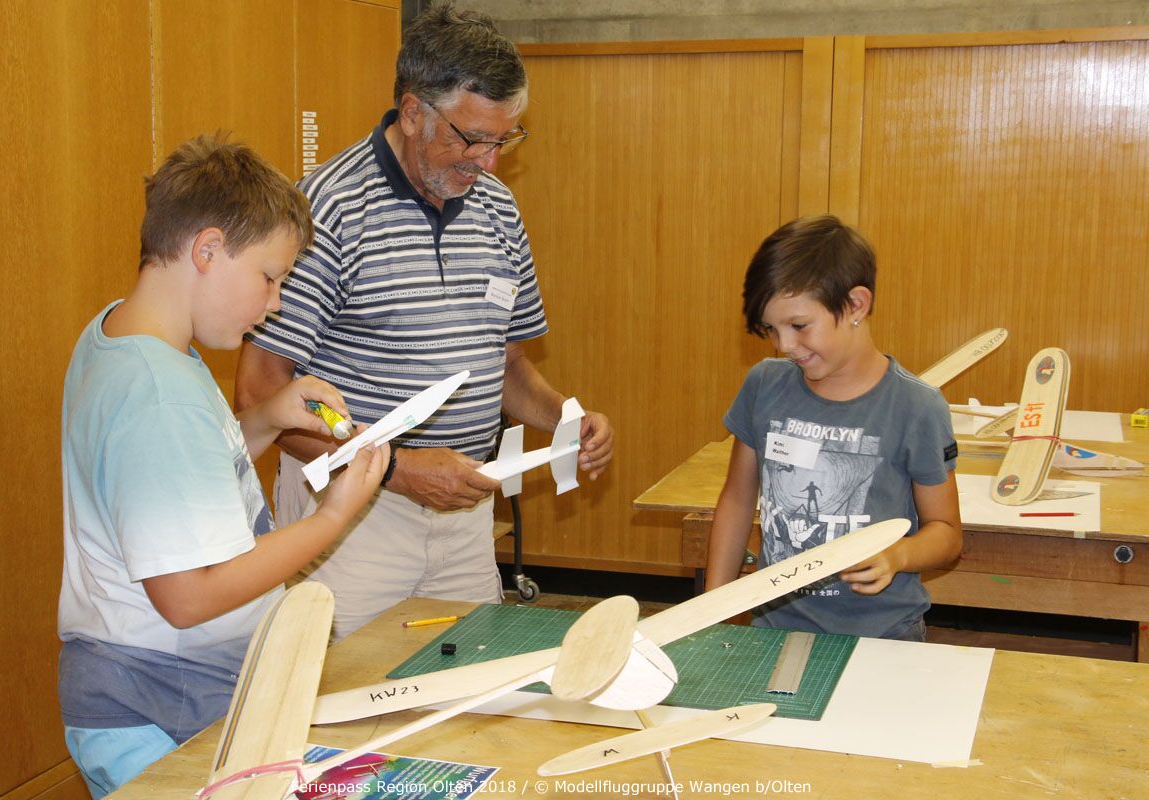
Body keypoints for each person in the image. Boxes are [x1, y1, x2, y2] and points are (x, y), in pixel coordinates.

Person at [235, 3, 613, 640]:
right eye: (472, 139)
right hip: (352, 513)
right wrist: (399, 469)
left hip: (464, 514)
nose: (488, 162)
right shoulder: (327, 208)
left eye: (504, 140)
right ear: (413, 113)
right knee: (347, 688)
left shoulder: (498, 209)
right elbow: (258, 392)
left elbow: (506, 365)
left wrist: (566, 420)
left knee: (470, 678)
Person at [57, 134, 389, 798]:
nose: (276, 303)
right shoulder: (159, 393)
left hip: (147, 689)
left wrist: (265, 420)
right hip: (155, 702)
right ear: (207, 250)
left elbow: (176, 473)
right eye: (270, 278)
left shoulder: (127, 338)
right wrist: (331, 518)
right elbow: (188, 596)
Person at [704, 214, 961, 640]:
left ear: (856, 305)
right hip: (775, 627)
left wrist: (898, 555)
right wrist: (712, 607)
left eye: (799, 326)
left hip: (881, 635)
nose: (785, 346)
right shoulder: (764, 385)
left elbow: (947, 534)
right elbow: (737, 499)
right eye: (771, 329)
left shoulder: (916, 407)